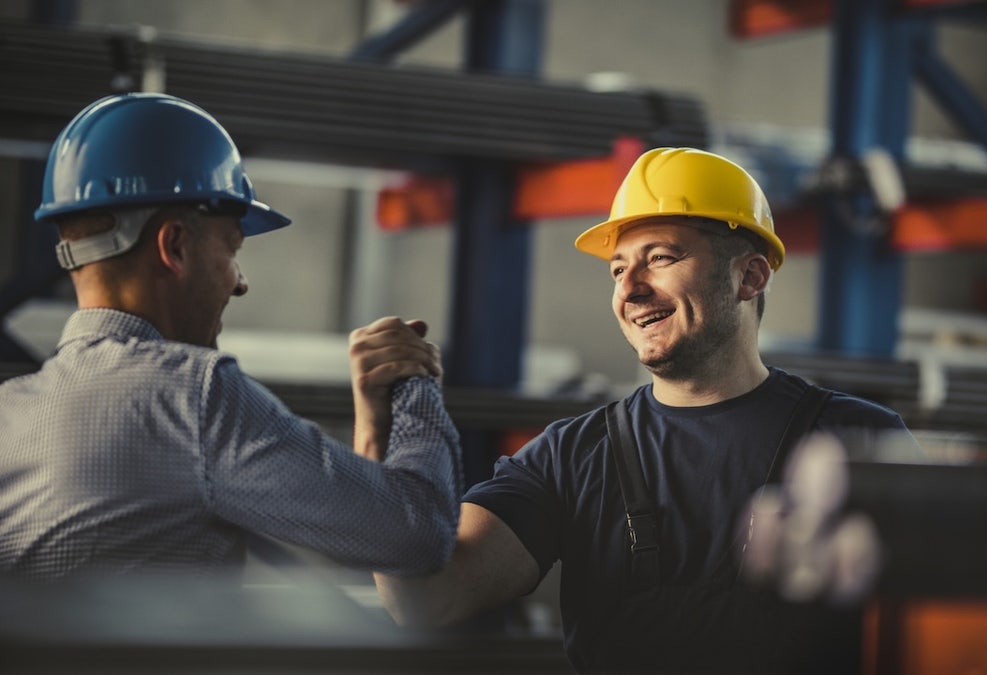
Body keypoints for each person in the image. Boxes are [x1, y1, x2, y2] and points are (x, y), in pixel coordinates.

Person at [372, 147, 922, 673]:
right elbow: (427, 598)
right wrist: (378, 427)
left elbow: (947, 622)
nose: (630, 290)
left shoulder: (860, 439)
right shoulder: (571, 456)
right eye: (617, 269)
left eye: (660, 257)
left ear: (750, 276)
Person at [0, 93, 462, 582]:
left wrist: (373, 429)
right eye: (232, 250)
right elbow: (419, 534)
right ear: (174, 246)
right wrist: (414, 382)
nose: (239, 283)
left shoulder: (9, 412)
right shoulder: (193, 397)